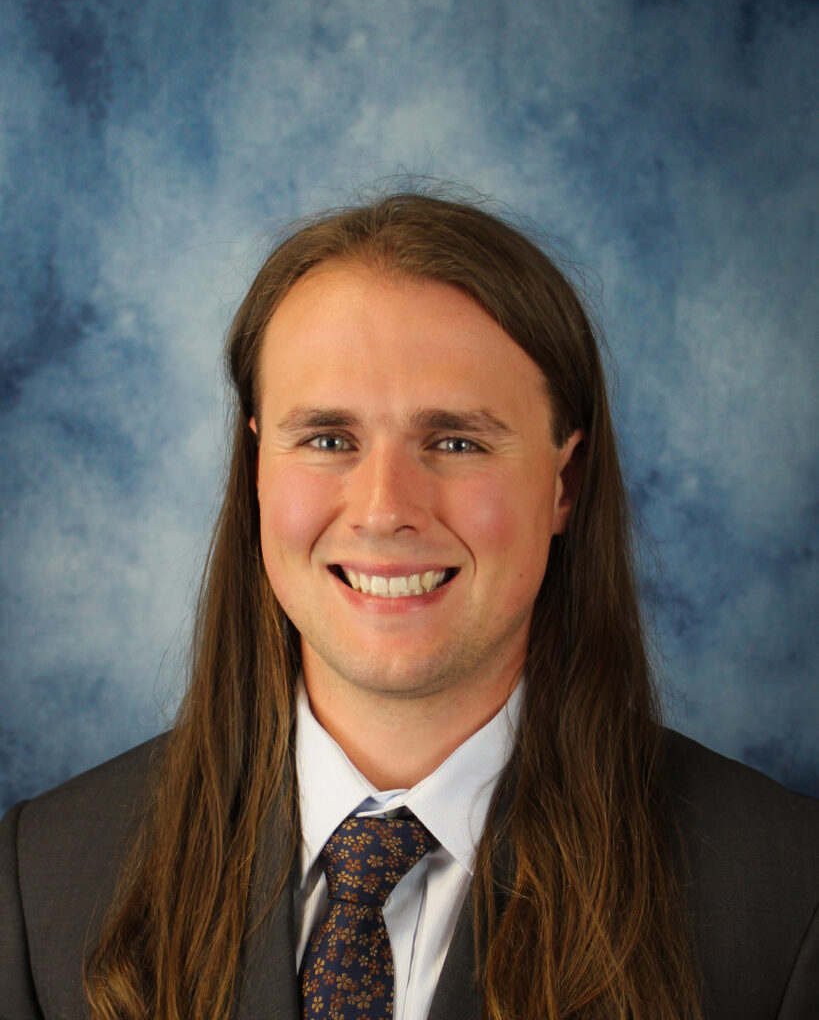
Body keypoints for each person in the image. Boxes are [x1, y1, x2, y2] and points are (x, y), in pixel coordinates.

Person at [1, 192, 817, 1020]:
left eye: (456, 442)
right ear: (257, 469)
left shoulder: (786, 903)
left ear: (563, 482)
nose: (384, 506)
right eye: (327, 440)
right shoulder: (44, 883)